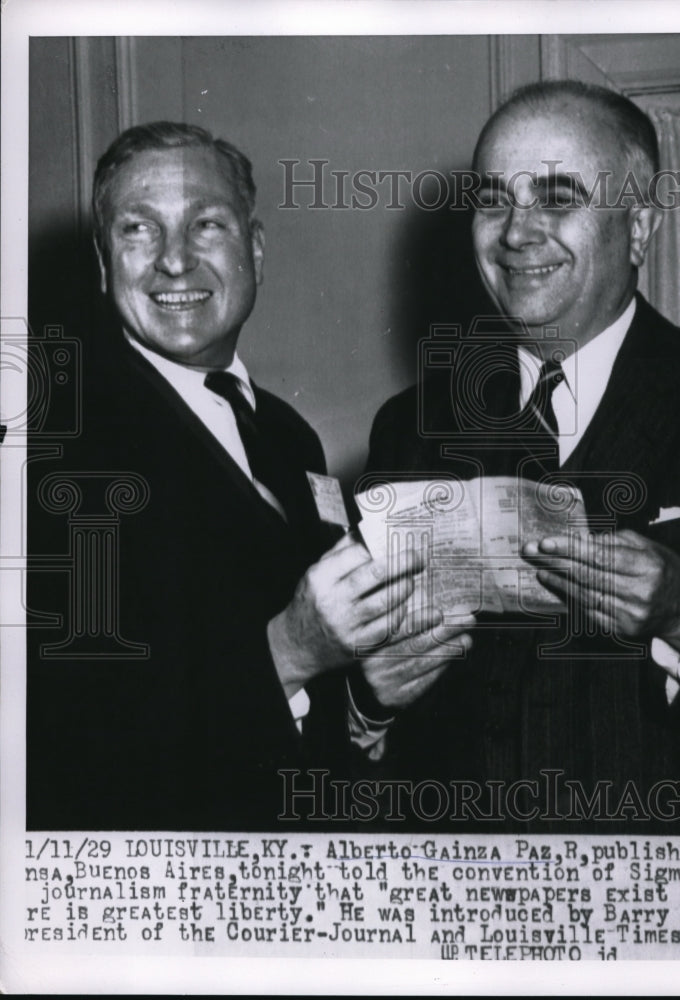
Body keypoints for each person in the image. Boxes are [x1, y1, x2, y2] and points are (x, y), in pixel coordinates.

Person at [25, 122, 473, 831]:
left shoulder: (287, 432)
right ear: (104, 264)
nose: (174, 262)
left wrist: (363, 698)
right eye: (139, 229)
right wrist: (289, 650)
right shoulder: (50, 446)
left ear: (255, 251)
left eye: (206, 224)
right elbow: (66, 739)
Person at [363, 81, 680, 832]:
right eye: (493, 200)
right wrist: (371, 696)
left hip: (670, 908)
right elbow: (384, 709)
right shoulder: (408, 429)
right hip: (466, 906)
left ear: (638, 228)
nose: (515, 233)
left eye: (555, 197)